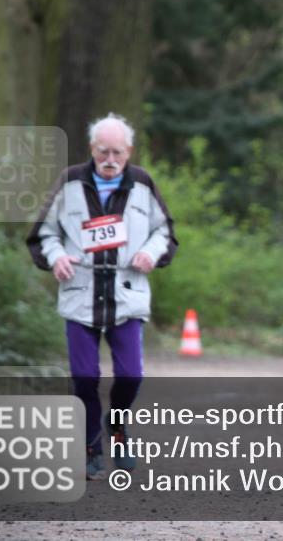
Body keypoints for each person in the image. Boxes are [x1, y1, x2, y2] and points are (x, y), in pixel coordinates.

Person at [27, 113, 178, 480]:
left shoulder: (142, 183)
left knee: (130, 376)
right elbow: (44, 232)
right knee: (84, 376)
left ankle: (118, 427)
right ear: (92, 150)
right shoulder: (70, 181)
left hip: (127, 293)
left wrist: (151, 252)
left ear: (129, 152)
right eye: (102, 152)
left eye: (117, 153)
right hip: (81, 292)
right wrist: (57, 255)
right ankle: (89, 445)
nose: (110, 160)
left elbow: (164, 232)